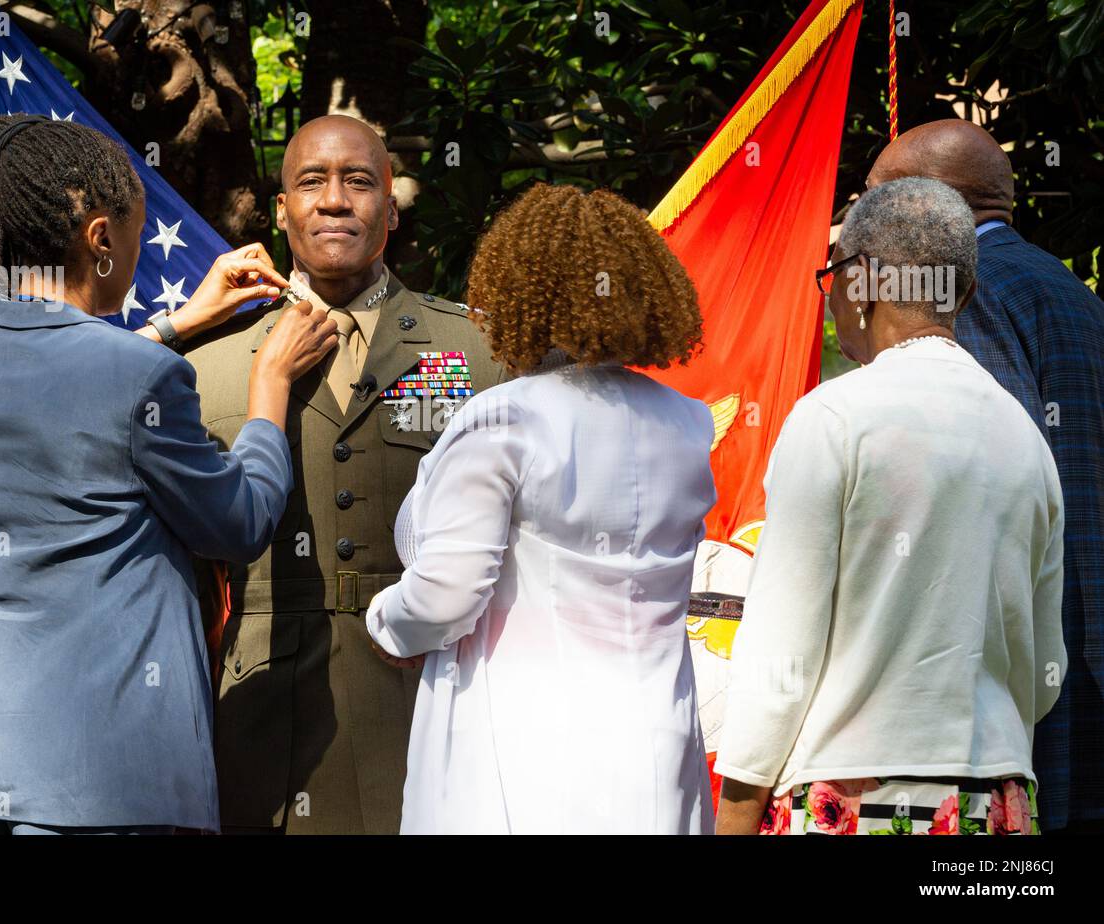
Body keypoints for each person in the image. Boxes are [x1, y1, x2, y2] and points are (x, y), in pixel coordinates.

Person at [0, 114, 337, 834]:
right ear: (101, 238)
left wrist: (176, 324)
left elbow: (56, 376)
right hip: (101, 773)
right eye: (135, 231)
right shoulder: (140, 378)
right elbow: (239, 522)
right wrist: (270, 385)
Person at [713, 178, 1066, 835]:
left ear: (865, 281)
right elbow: (1044, 676)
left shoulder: (832, 417)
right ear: (961, 292)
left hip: (850, 795)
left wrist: (735, 811)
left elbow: (781, 661)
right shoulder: (1025, 437)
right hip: (997, 806)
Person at [183, 114, 505, 834]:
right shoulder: (208, 368)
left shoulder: (477, 352)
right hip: (264, 715)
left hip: (429, 700)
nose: (334, 199)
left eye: (359, 181)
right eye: (311, 182)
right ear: (281, 211)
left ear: (390, 209)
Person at [364, 183, 716, 834]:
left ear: (515, 294)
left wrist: (386, 623)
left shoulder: (505, 419)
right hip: (657, 743)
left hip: (523, 748)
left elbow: (447, 592)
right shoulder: (690, 424)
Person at [867, 120, 1104, 833]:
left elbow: (981, 481)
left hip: (1025, 652)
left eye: (875, 197)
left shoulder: (964, 291)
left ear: (926, 207)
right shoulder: (1065, 286)